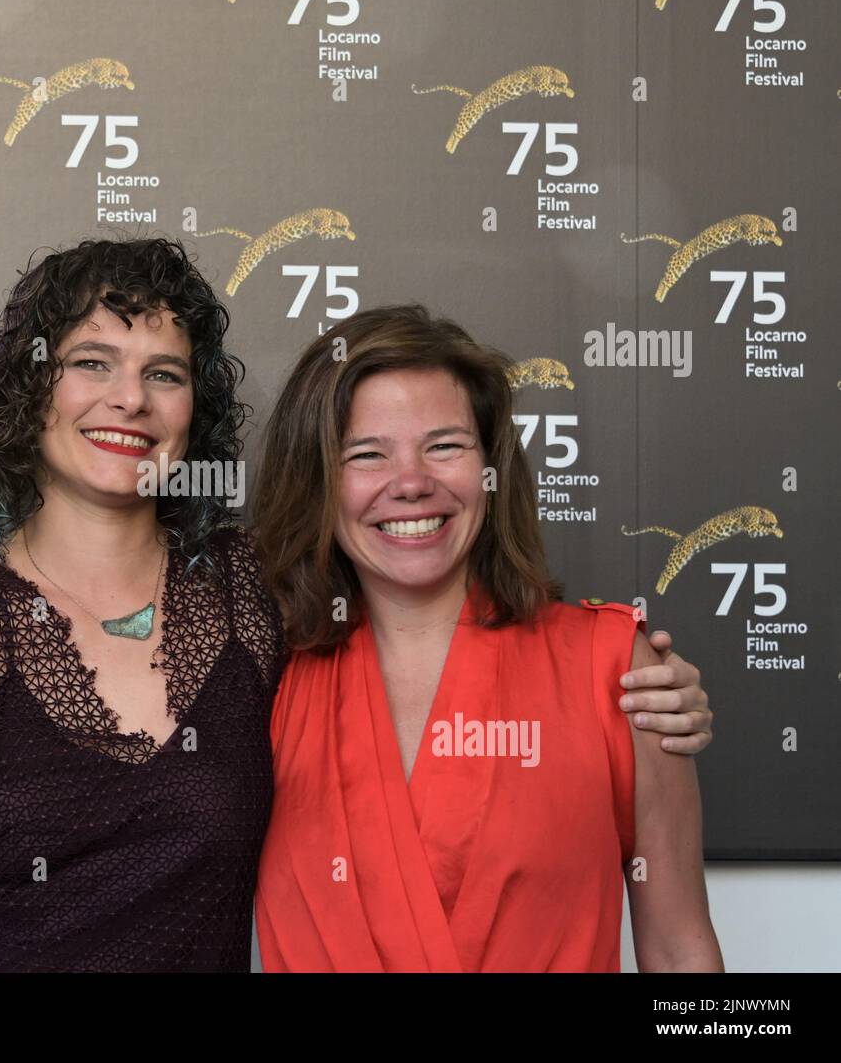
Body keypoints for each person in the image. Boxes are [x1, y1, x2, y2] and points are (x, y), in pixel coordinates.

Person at [0, 239, 710, 973]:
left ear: (196, 413)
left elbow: (434, 587)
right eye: (91, 363)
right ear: (26, 394)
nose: (127, 398)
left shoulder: (262, 597)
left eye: (163, 373)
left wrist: (643, 682)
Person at [248, 305, 722, 971]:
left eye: (445, 446)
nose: (411, 483)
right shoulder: (259, 677)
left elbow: (679, 952)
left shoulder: (615, 669)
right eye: (366, 454)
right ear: (318, 483)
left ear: (492, 470)